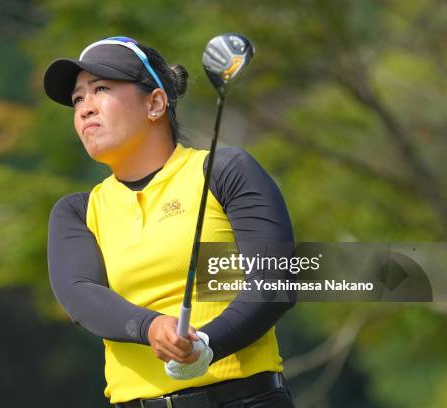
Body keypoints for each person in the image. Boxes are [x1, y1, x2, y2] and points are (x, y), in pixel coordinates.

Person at [44, 36, 296, 407]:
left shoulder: (223, 172)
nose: (84, 109)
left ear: (156, 103)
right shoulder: (78, 212)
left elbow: (275, 281)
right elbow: (81, 294)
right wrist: (151, 327)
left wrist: (207, 345)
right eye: (78, 99)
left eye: (100, 89)